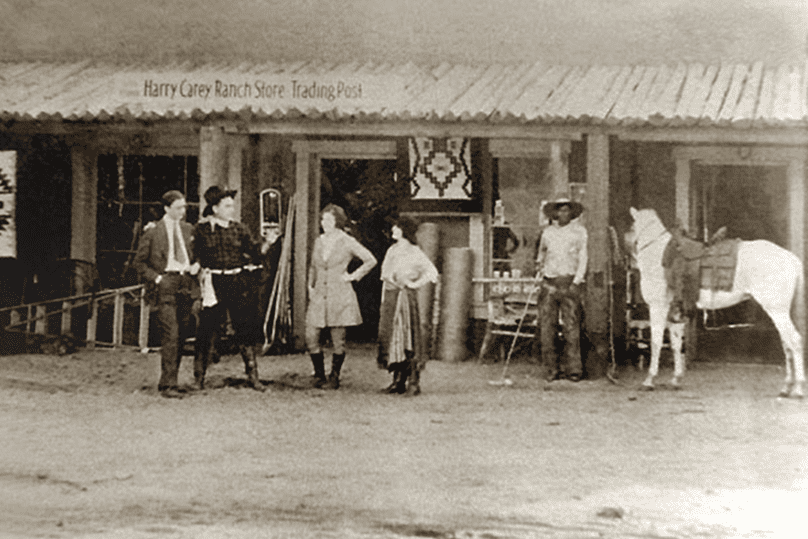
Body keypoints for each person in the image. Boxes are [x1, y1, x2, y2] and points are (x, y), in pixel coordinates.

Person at [193, 186, 278, 392]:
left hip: (237, 282)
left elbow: (256, 254)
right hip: (214, 284)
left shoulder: (240, 229)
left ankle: (253, 377)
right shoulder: (202, 230)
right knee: (207, 330)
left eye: (232, 205)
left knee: (244, 329)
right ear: (214, 208)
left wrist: (268, 242)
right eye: (227, 205)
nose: (232, 209)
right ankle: (199, 379)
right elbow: (197, 256)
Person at [133, 190, 200, 399]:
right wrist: (158, 279)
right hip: (166, 284)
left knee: (180, 335)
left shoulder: (188, 229)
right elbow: (139, 263)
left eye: (184, 207)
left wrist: (196, 265)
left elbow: (198, 253)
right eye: (178, 207)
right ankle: (167, 385)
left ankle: (172, 380)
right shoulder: (153, 232)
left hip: (186, 283)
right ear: (166, 208)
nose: (183, 211)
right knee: (170, 334)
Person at [306, 204, 377, 390]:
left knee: (338, 339)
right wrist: (310, 286)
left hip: (340, 294)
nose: (324, 223)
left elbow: (370, 260)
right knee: (311, 336)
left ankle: (334, 376)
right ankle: (319, 374)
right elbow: (313, 266)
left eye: (328, 220)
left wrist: (352, 276)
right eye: (322, 220)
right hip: (320, 294)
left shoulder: (347, 241)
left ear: (337, 221)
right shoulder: (319, 241)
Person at [377, 216, 438, 395]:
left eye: (397, 227)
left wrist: (414, 283)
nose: (393, 229)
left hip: (405, 298)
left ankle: (413, 382)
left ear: (405, 230)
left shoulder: (414, 252)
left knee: (408, 337)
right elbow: (384, 274)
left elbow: (432, 272)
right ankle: (397, 381)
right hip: (391, 296)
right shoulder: (391, 250)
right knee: (392, 338)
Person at [536, 196, 588, 382]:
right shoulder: (548, 232)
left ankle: (574, 370)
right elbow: (541, 253)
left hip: (569, 284)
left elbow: (584, 259)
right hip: (549, 284)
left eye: (566, 210)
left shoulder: (579, 232)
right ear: (555, 213)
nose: (563, 213)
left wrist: (576, 282)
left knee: (571, 328)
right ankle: (551, 370)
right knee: (547, 329)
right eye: (560, 210)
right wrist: (540, 267)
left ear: (571, 213)